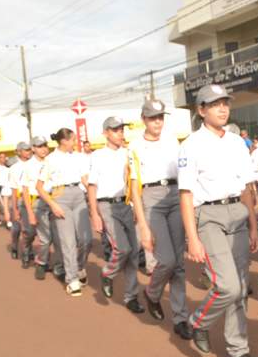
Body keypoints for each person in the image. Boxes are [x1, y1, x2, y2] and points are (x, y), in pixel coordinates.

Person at [179, 84, 258, 357]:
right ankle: (198, 322)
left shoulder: (237, 142)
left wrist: (253, 226)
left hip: (238, 213)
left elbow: (246, 188)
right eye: (215, 104)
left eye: (225, 103)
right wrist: (192, 239)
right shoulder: (191, 145)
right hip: (209, 216)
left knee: (241, 287)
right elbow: (186, 194)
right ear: (201, 110)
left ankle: (238, 349)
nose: (223, 108)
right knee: (227, 286)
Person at [129, 99, 192, 339]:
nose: (158, 122)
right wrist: (143, 226)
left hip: (175, 194)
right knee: (165, 260)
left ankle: (180, 318)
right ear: (143, 119)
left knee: (178, 264)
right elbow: (134, 187)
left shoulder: (172, 140)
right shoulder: (134, 146)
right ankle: (153, 293)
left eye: (160, 117)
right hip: (151, 198)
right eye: (153, 118)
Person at [87, 116, 144, 311]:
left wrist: (135, 206)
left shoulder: (128, 153)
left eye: (121, 130)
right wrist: (95, 214)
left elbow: (133, 182)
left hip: (127, 204)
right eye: (115, 130)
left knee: (134, 252)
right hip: (107, 206)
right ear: (105, 133)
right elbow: (92, 186)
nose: (120, 133)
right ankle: (107, 273)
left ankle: (131, 297)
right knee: (122, 248)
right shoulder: (97, 156)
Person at [37, 128, 91, 296]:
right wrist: (53, 205)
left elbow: (85, 179)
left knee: (86, 240)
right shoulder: (50, 160)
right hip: (60, 198)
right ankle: (72, 279)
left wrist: (94, 197)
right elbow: (39, 187)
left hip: (79, 196)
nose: (75, 142)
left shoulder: (78, 157)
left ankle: (79, 267)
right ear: (64, 141)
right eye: (72, 139)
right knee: (69, 242)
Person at [24, 137, 65, 282]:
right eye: (39, 146)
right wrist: (30, 213)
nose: (43, 149)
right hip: (38, 203)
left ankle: (59, 266)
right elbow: (25, 191)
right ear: (33, 148)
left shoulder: (52, 161)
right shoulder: (27, 166)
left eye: (45, 145)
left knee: (59, 237)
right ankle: (41, 262)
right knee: (45, 239)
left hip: (55, 200)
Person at [9, 142, 36, 266]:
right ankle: (16, 246)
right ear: (19, 152)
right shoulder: (14, 168)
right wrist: (14, 208)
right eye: (25, 150)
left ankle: (28, 250)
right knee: (18, 228)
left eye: (29, 149)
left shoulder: (35, 164)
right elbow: (14, 189)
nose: (28, 152)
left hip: (34, 199)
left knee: (31, 230)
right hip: (20, 200)